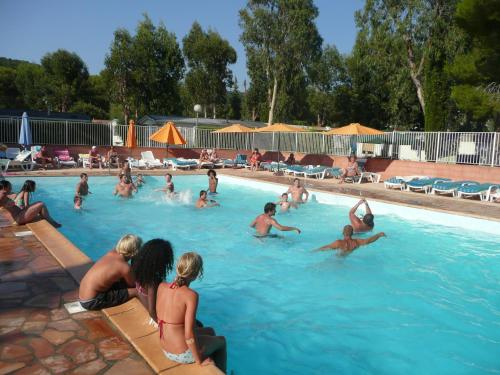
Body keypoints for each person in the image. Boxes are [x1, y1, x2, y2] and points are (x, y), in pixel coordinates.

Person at [156, 252, 227, 372]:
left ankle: (213, 364)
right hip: (181, 353)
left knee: (210, 331)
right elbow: (189, 333)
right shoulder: (191, 295)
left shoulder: (162, 286)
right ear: (195, 274)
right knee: (222, 341)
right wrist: (199, 360)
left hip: (165, 347)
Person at [79, 234, 142, 310]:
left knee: (119, 281)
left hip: (83, 295)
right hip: (92, 301)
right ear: (135, 251)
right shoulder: (124, 267)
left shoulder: (111, 253)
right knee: (137, 291)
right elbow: (133, 285)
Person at [132, 239, 174, 324]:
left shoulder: (136, 265)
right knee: (199, 324)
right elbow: (151, 311)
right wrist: (161, 325)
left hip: (145, 300)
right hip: (156, 316)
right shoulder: (152, 281)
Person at [317, 225, 385, 255]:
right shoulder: (357, 242)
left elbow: (325, 248)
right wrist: (379, 235)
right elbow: (369, 240)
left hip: (335, 259)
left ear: (343, 233)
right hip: (344, 260)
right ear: (352, 233)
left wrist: (314, 251)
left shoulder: (338, 242)